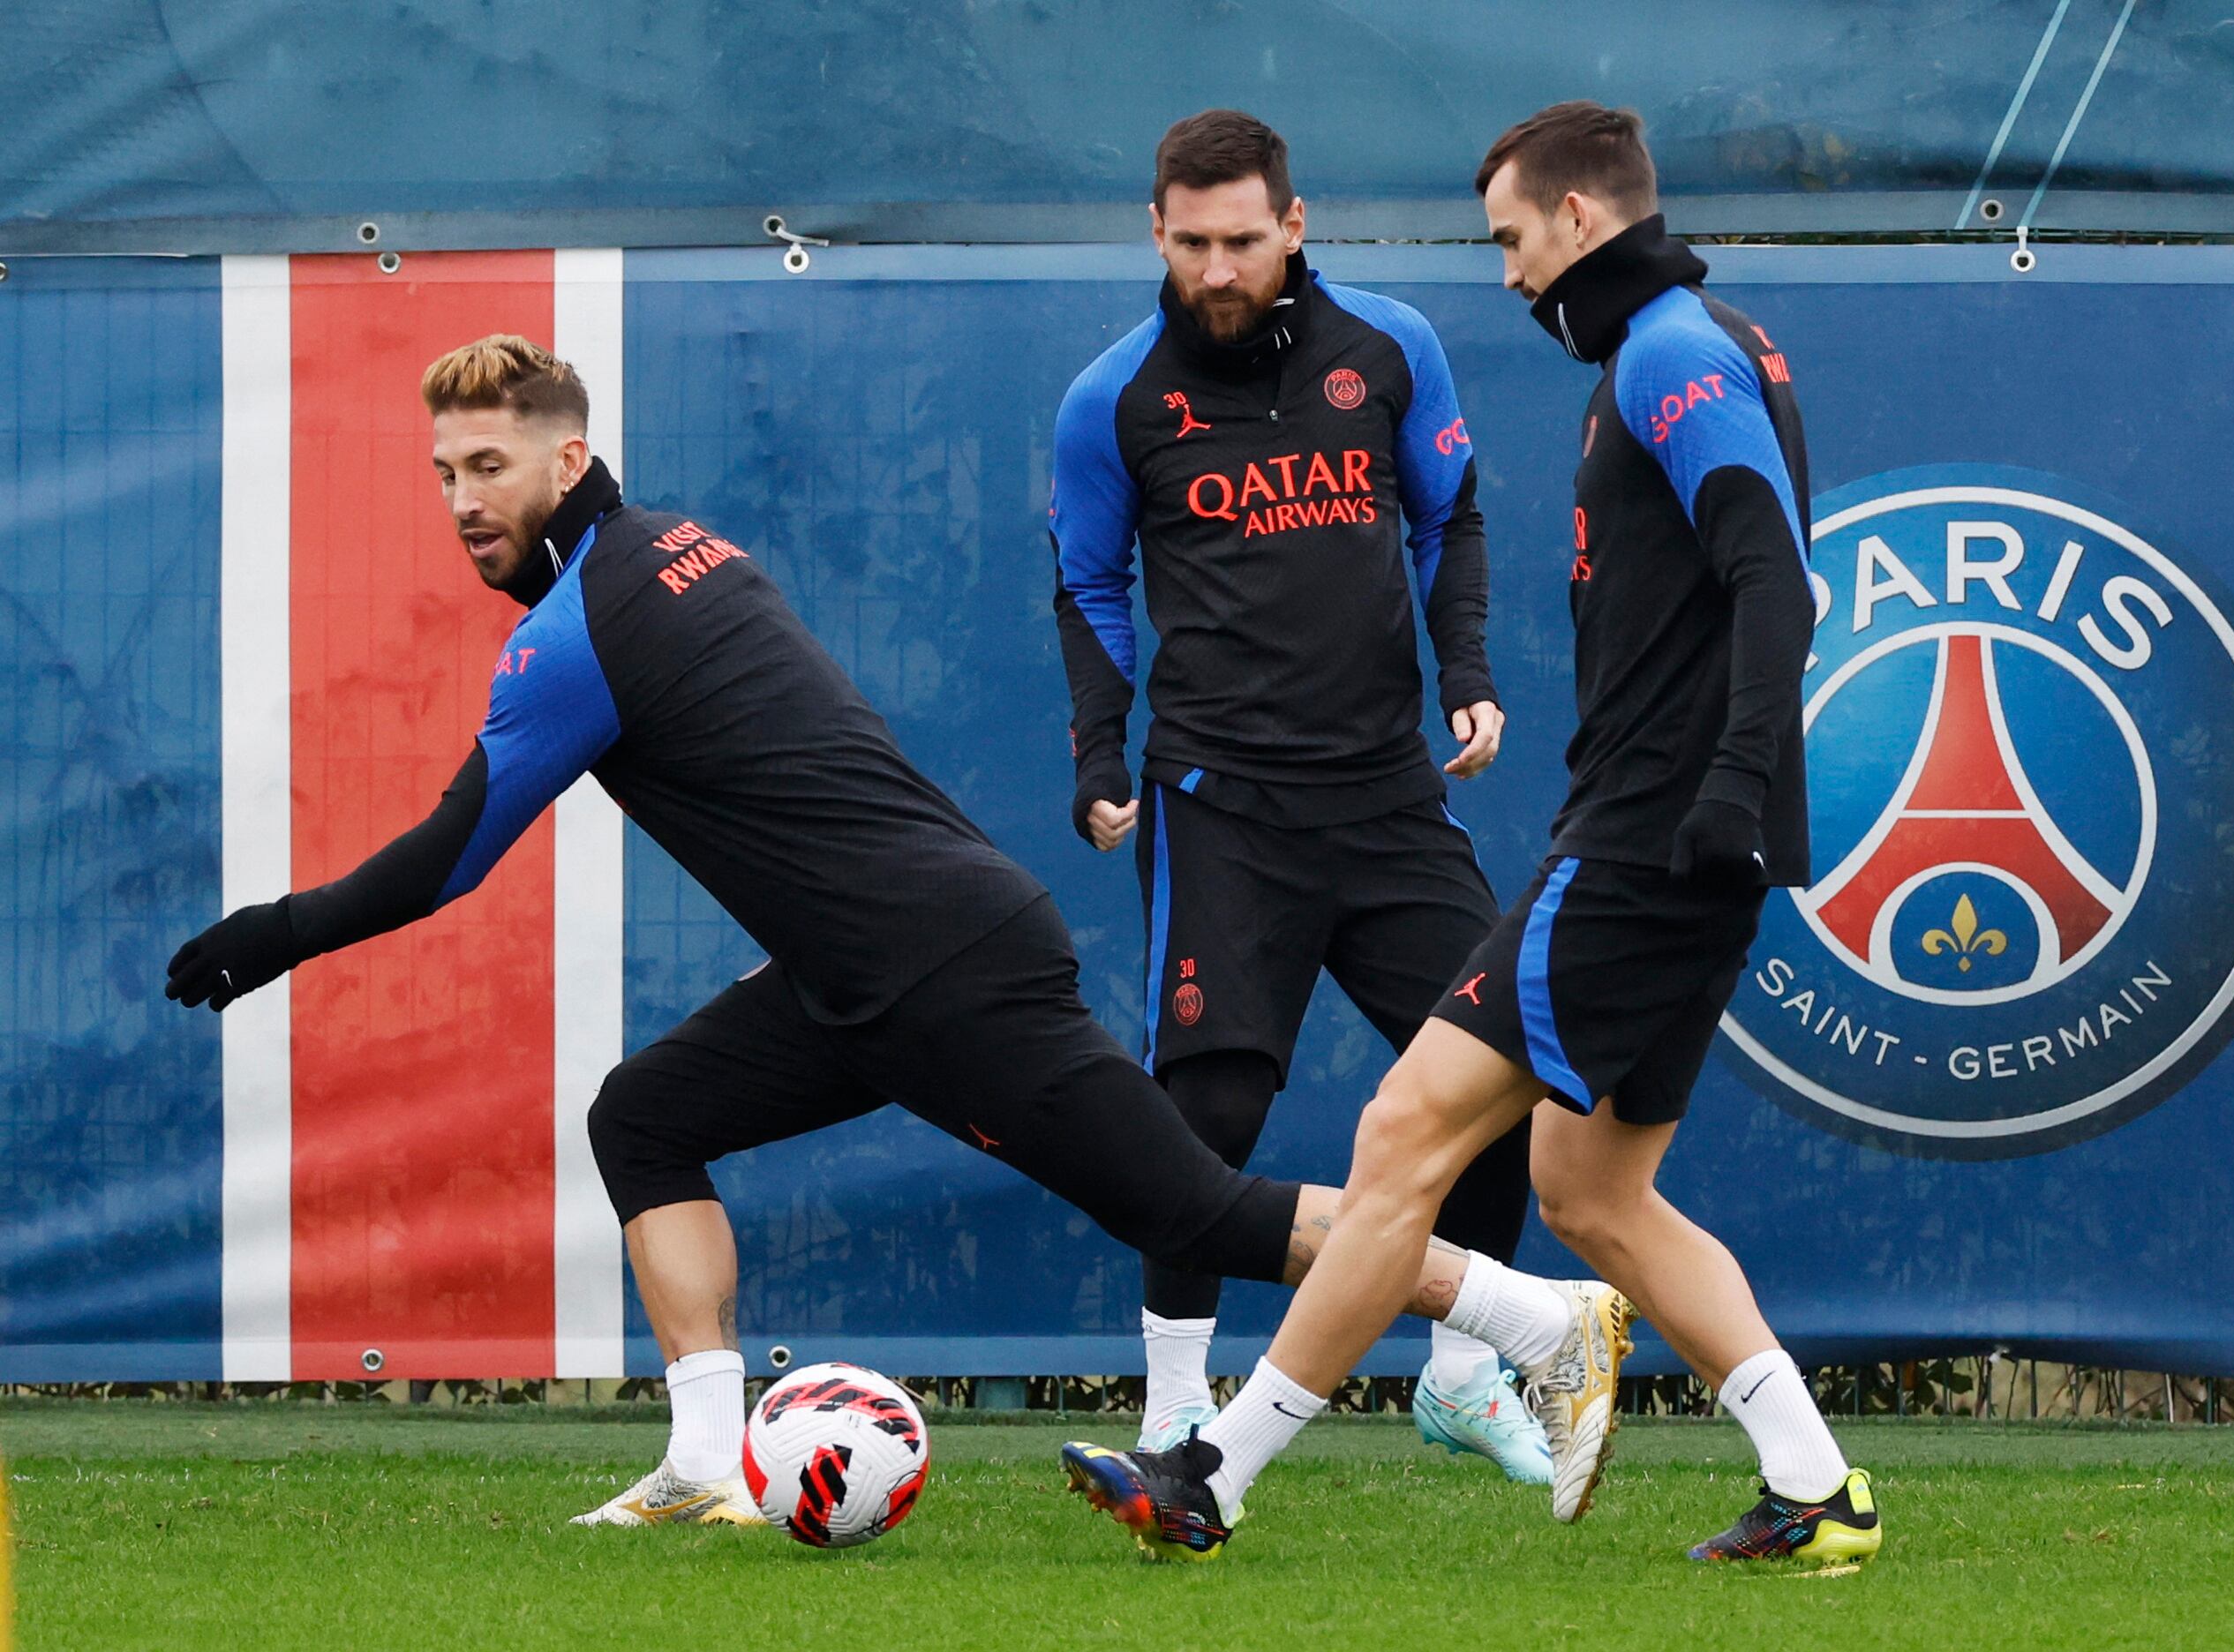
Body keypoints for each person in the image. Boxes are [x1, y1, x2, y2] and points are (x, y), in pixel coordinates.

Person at [163, 334, 1611, 1536]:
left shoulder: (576, 634)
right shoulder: (682, 548)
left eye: (487, 468)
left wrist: (269, 936)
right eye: (443, 476)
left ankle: (1536, 1321)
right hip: (861, 970)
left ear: (565, 457)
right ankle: (701, 1462)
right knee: (647, 1115)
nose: (463, 502)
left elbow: (446, 862)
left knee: (1193, 1212)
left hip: (936, 970)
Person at [1061, 102, 1881, 1566]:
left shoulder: (1672, 354)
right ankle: (1818, 1487)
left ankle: (1211, 1472)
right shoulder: (1691, 344)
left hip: (1646, 842)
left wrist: (1725, 783)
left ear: (1577, 217)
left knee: (1400, 1136)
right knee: (1592, 1193)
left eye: (1510, 238)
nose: (1505, 274)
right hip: (1686, 841)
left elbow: (1777, 579)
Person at [1049, 108, 1544, 1476]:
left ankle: (1458, 1376)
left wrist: (1466, 674)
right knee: (1200, 1123)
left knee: (1499, 1076)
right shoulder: (1114, 399)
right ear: (1157, 232)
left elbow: (1448, 519)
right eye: (1193, 243)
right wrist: (1102, 758)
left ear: (1295, 225)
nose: (1219, 269)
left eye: (1244, 241)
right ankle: (1168, 1407)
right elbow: (1089, 585)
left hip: (1387, 799)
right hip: (1220, 806)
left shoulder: (1388, 351)